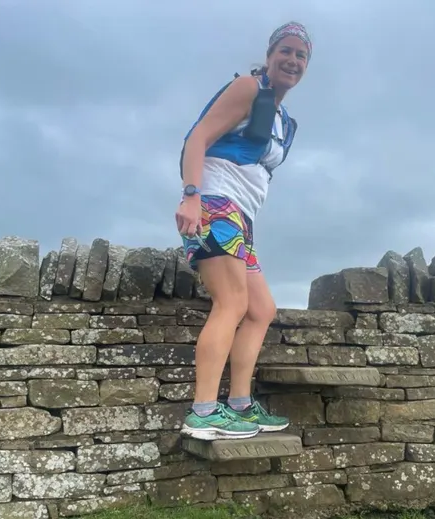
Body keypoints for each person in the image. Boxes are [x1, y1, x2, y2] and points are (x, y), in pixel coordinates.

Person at [174, 21, 312, 441]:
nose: (292, 60)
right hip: (214, 204)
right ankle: (202, 412)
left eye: (301, 55)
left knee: (261, 309)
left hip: (240, 218)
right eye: (285, 51)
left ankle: (239, 404)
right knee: (231, 303)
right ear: (270, 55)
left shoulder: (285, 119)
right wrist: (191, 195)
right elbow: (197, 137)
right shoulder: (248, 89)